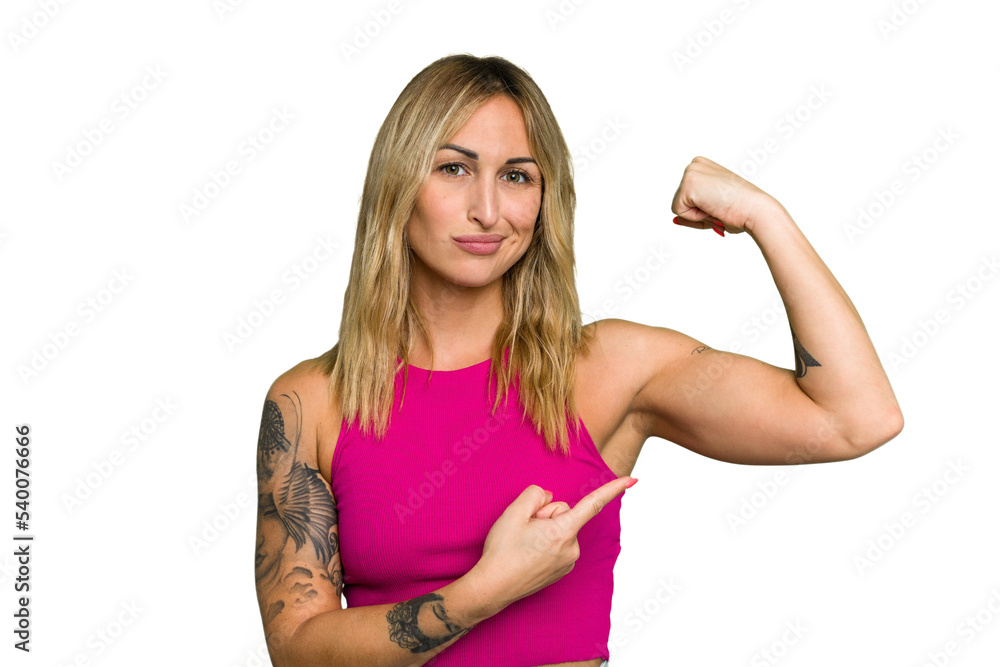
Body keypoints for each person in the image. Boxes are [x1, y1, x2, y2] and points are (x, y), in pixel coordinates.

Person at [253, 53, 903, 667]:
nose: (488, 210)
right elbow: (297, 649)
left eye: (517, 176)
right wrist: (484, 590)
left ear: (545, 201)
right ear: (398, 184)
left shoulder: (608, 368)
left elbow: (856, 419)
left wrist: (766, 216)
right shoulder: (313, 399)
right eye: (453, 168)